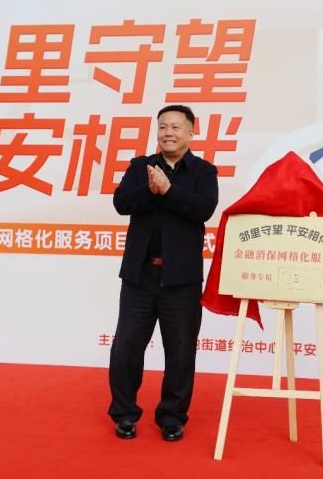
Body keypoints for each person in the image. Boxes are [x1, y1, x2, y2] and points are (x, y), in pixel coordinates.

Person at [108, 105, 219, 441]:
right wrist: (151, 189)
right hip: (139, 277)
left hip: (181, 281)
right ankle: (124, 414)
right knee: (126, 347)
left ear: (191, 132)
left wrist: (169, 191)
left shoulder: (203, 172)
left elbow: (203, 209)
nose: (168, 133)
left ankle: (172, 416)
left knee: (181, 351)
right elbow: (121, 203)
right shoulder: (140, 167)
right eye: (163, 127)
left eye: (175, 127)